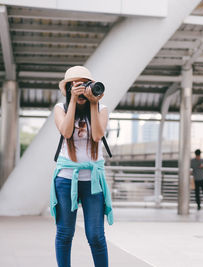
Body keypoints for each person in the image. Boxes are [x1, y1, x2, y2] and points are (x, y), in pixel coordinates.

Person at [49, 66, 113, 267]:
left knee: (95, 235)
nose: (81, 89)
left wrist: (94, 103)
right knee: (65, 233)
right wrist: (74, 103)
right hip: (66, 178)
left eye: (85, 84)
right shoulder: (61, 108)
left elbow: (97, 135)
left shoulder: (102, 109)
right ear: (68, 88)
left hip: (93, 181)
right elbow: (66, 132)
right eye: (76, 85)